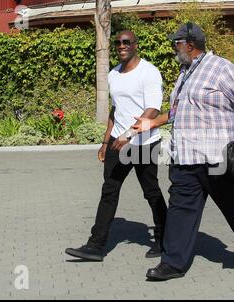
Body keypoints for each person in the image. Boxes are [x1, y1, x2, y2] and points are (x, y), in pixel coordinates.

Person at [132, 23, 234, 281]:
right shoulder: (184, 74)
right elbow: (175, 113)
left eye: (177, 43)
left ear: (190, 44)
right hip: (184, 157)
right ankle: (172, 264)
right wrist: (151, 122)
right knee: (180, 210)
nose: (174, 47)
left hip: (216, 157)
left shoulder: (221, 68)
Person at [65, 31, 167, 261]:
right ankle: (96, 246)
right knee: (109, 191)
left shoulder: (149, 72)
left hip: (143, 143)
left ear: (135, 45)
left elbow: (153, 110)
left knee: (150, 191)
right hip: (117, 143)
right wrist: (106, 140)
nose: (121, 46)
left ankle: (163, 237)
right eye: (118, 43)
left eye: (126, 42)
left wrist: (129, 134)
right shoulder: (113, 74)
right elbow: (116, 109)